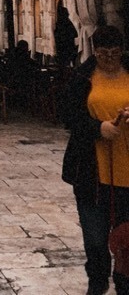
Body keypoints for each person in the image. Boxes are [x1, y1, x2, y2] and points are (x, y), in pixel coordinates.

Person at [62, 25, 129, 295]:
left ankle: (124, 283)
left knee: (126, 238)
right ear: (95, 51)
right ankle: (97, 283)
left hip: (127, 170)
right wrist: (98, 128)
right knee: (96, 237)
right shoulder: (82, 78)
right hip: (92, 172)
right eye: (104, 54)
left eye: (115, 53)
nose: (110, 59)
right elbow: (69, 117)